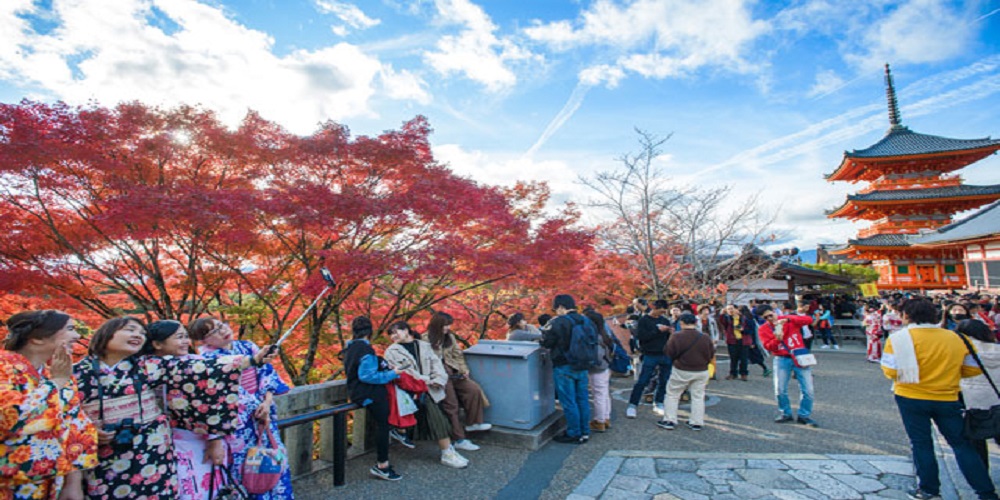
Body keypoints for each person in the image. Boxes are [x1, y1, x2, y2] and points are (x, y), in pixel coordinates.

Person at [74, 317, 248, 499]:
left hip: (154, 449)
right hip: (105, 450)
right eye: (130, 330)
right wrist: (87, 429)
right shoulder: (78, 372)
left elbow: (204, 370)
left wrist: (252, 360)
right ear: (106, 333)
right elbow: (66, 415)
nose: (137, 335)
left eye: (141, 332)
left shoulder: (148, 366)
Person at [881, 299, 999, 500]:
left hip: (910, 395)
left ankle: (928, 489)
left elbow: (890, 370)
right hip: (947, 395)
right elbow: (973, 367)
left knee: (921, 443)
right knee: (961, 444)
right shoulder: (956, 338)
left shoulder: (898, 338)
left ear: (906, 316)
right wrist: (949, 374)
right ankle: (985, 492)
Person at [145, 320, 271, 500]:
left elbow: (212, 369)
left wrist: (215, 438)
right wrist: (252, 360)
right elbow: (211, 370)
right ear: (157, 344)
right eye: (178, 337)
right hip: (170, 438)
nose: (185, 342)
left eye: (185, 337)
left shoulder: (190, 362)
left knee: (205, 487)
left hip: (197, 437)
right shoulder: (153, 365)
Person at [191, 317, 293, 500]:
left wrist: (267, 403)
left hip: (263, 416)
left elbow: (266, 375)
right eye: (214, 332)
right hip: (238, 426)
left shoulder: (247, 346)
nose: (223, 331)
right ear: (202, 341)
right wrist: (257, 406)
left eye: (222, 325)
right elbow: (220, 394)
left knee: (273, 460)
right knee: (245, 471)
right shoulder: (205, 359)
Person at [2, 310, 97, 500]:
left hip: (52, 481)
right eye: (70, 329)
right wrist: (56, 384)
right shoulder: (5, 367)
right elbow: (10, 418)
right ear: (37, 338)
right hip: (9, 483)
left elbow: (75, 426)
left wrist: (73, 482)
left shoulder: (56, 373)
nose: (77, 336)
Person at [383, 321, 469, 469]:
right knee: (438, 419)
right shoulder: (392, 352)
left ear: (406, 330)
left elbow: (438, 366)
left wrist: (439, 379)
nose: (393, 336)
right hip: (413, 391)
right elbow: (407, 374)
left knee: (438, 417)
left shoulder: (424, 346)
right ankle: (447, 453)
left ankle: (449, 451)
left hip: (432, 389)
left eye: (396, 332)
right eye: (391, 334)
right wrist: (429, 381)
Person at [343, 316, 403, 481]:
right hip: (369, 393)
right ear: (370, 331)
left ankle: (385, 460)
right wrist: (393, 373)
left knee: (383, 425)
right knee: (383, 425)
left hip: (355, 391)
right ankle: (382, 465)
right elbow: (367, 376)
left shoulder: (349, 347)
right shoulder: (366, 351)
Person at [425, 312, 491, 452]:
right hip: (439, 376)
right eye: (445, 325)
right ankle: (458, 438)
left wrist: (464, 369)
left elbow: (458, 355)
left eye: (449, 325)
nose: (448, 328)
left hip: (454, 372)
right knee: (451, 404)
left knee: (473, 389)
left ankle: (474, 422)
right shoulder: (425, 340)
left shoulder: (450, 337)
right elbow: (426, 362)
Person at [756, 304, 818, 427]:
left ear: (774, 311)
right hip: (781, 358)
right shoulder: (763, 329)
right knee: (780, 389)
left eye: (771, 315)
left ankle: (804, 415)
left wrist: (788, 319)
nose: (770, 318)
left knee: (808, 389)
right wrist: (777, 338)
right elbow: (768, 346)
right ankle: (785, 412)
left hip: (799, 355)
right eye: (766, 317)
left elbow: (809, 320)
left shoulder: (788, 319)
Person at [540, 294, 591, 443]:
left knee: (569, 401)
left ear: (561, 307)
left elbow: (547, 343)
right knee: (582, 399)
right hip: (583, 365)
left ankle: (574, 433)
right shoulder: (586, 320)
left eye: (556, 309)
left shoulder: (558, 322)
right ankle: (585, 431)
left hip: (564, 366)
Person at [657, 313, 715, 431]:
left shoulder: (676, 336)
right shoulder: (705, 337)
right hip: (701, 370)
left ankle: (670, 420)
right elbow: (711, 354)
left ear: (681, 323)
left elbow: (669, 353)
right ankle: (696, 422)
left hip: (682, 369)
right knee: (698, 396)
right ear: (695, 322)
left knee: (673, 394)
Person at [956, 319, 1000, 469]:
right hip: (997, 400)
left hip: (972, 402)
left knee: (976, 442)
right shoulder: (997, 350)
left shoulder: (961, 354)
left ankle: (983, 478)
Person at [625, 299, 673, 418]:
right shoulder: (643, 320)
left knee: (664, 380)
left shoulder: (665, 320)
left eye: (664, 312)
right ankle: (632, 405)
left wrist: (670, 332)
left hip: (665, 354)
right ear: (654, 308)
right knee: (642, 381)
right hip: (650, 354)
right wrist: (657, 330)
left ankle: (659, 402)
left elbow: (668, 338)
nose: (662, 314)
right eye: (660, 311)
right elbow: (641, 337)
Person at [582, 309, 613, 433]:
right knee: (604, 393)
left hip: (597, 368)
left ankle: (599, 421)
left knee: (598, 395)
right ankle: (606, 418)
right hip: (606, 367)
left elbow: (597, 356)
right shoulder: (604, 334)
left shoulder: (593, 337)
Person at [719, 305, 752, 381]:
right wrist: (722, 313)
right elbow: (722, 322)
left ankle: (744, 374)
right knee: (733, 358)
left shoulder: (745, 318)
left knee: (744, 359)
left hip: (744, 341)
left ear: (736, 309)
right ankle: (733, 373)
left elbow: (751, 329)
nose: (730, 311)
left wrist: (743, 330)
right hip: (732, 341)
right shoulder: (728, 319)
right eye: (728, 309)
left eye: (732, 309)